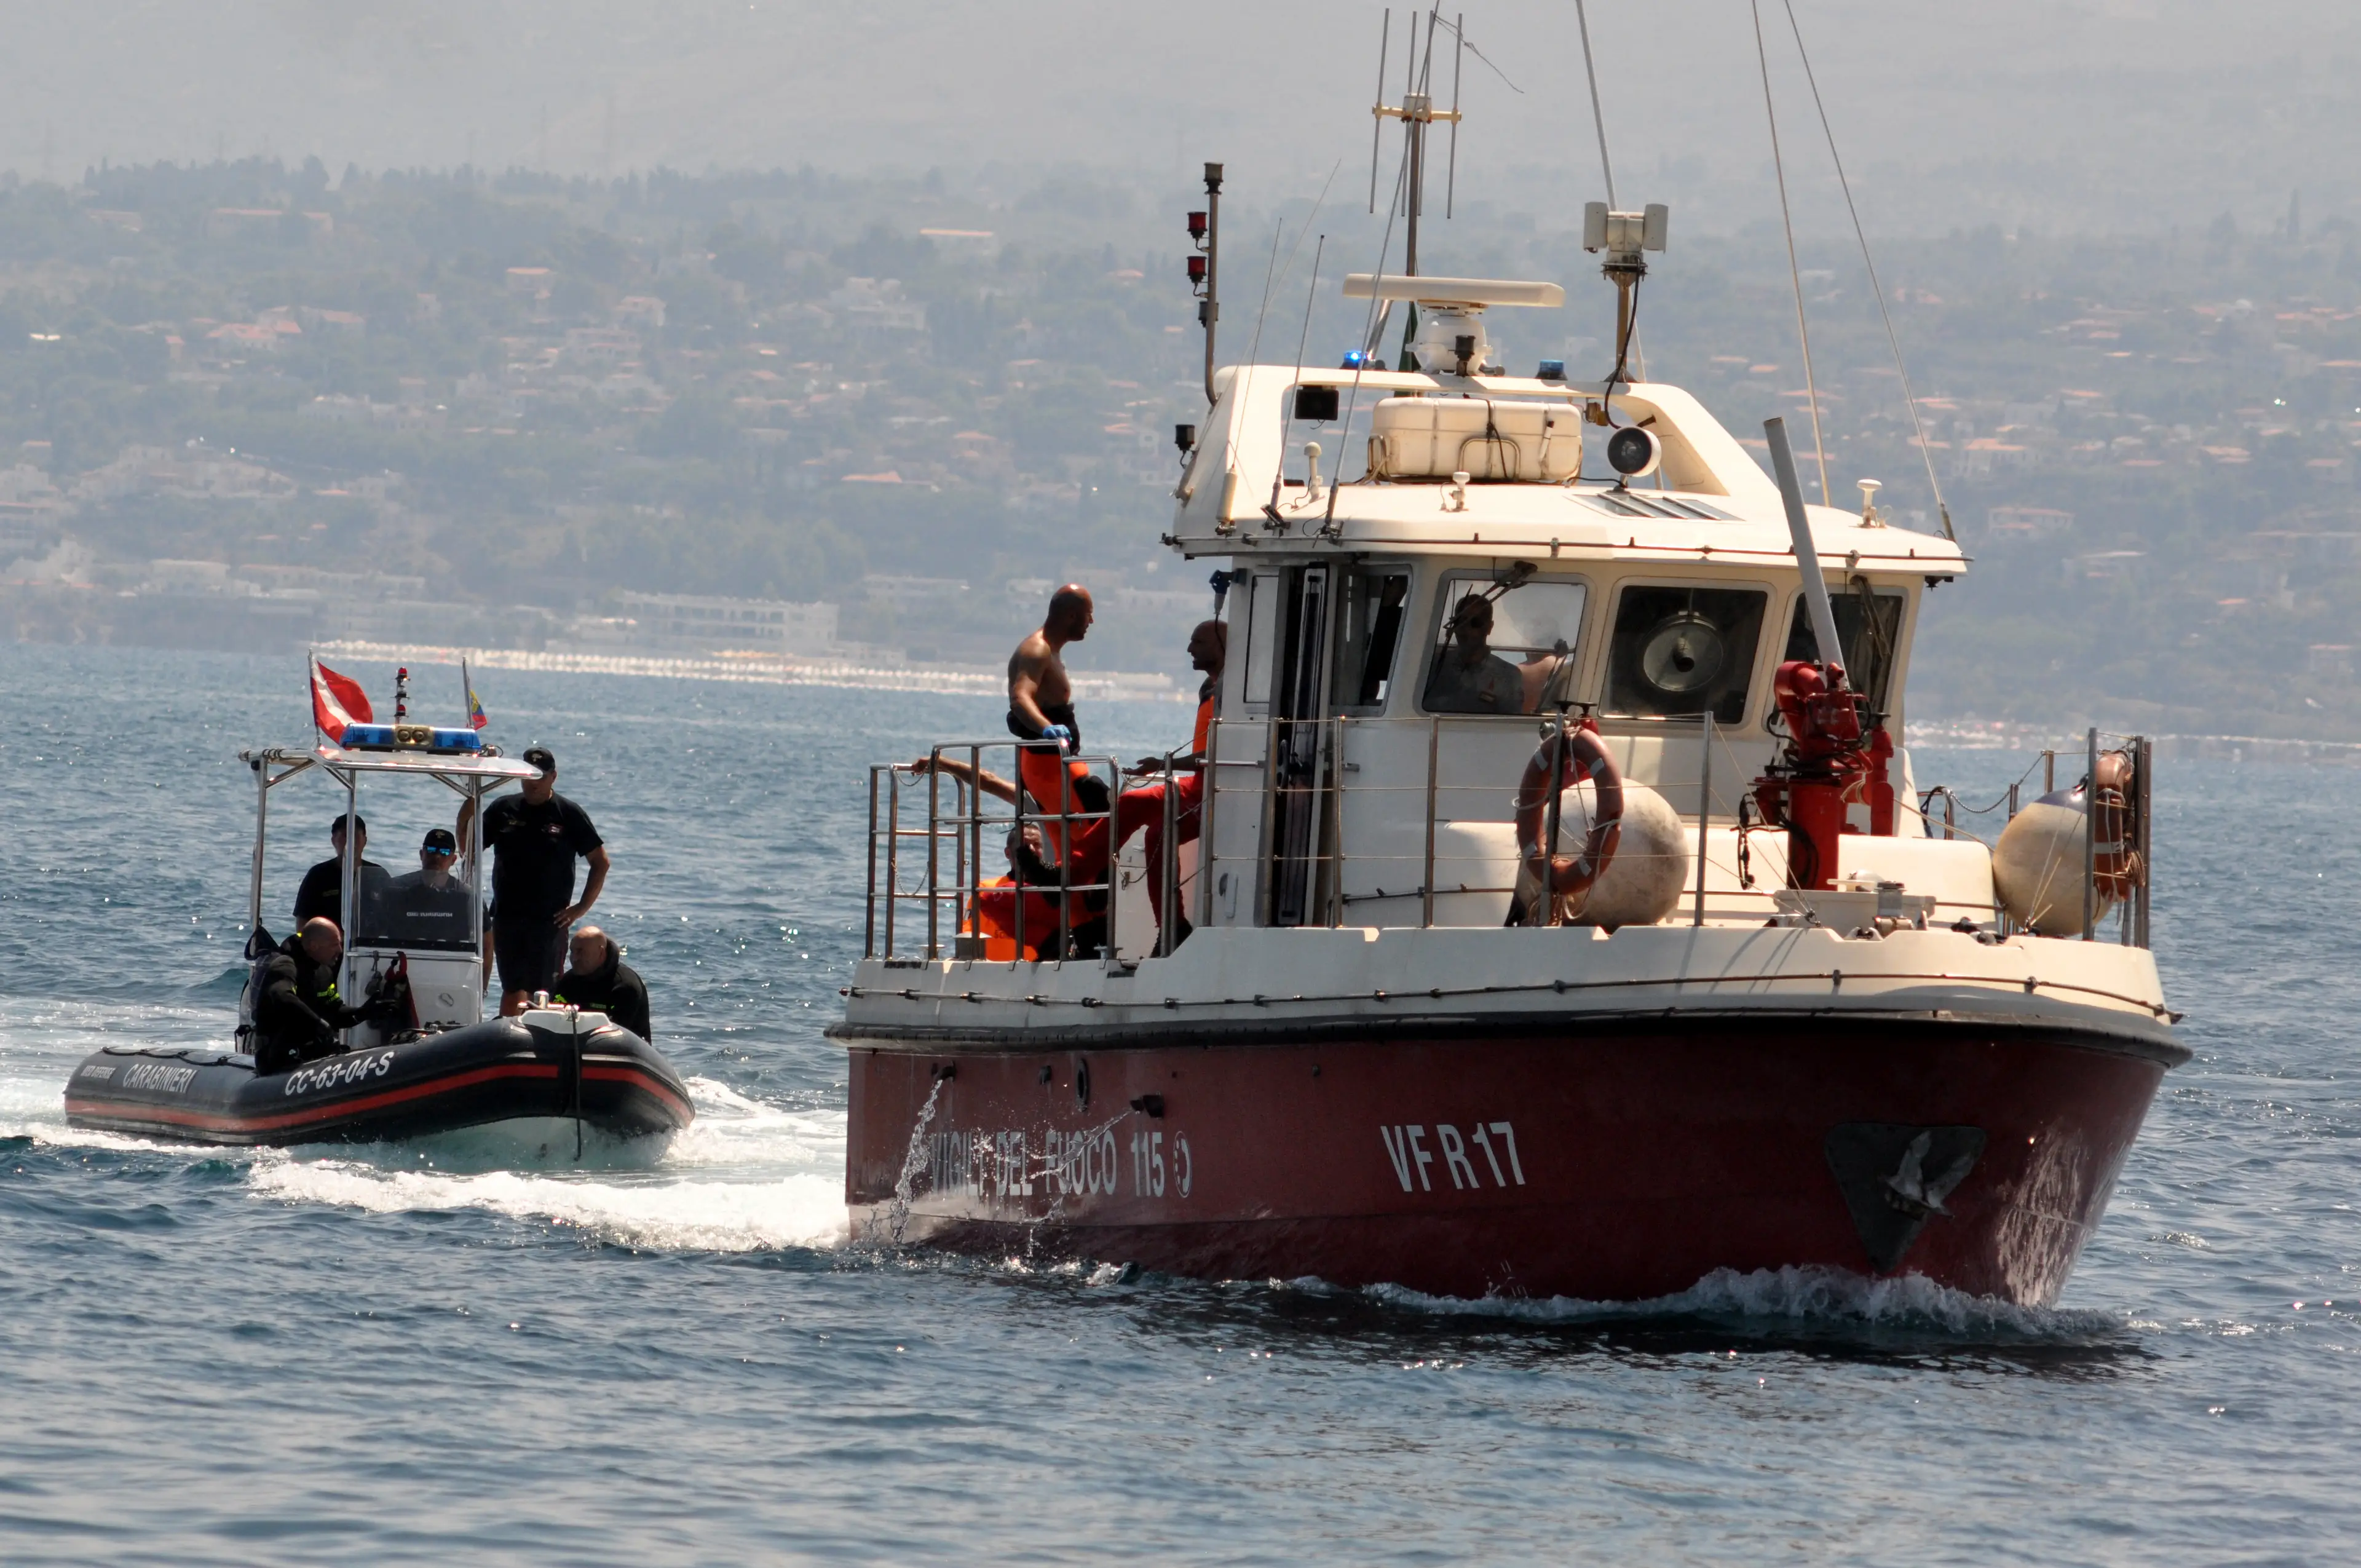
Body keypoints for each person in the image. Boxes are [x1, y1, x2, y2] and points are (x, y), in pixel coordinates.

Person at [458, 745, 610, 1015]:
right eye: (528, 776)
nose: (533, 783)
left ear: (553, 777)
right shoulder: (504, 809)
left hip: (550, 922)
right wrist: (470, 802)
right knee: (512, 988)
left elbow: (600, 863)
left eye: (540, 776)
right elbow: (468, 850)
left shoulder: (568, 814)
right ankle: (507, 1037)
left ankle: (542, 1037)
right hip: (507, 917)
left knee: (544, 992)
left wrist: (580, 909)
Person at [249, 917, 377, 1075]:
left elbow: (335, 1012)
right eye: (334, 945)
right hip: (279, 1059)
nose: (340, 950)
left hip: (312, 1055)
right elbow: (281, 995)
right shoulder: (284, 965)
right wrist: (318, 1023)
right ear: (314, 946)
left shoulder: (324, 972)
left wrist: (364, 1013)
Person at [373, 826, 481, 948]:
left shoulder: (467, 896)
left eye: (445, 852)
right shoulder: (396, 887)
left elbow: (485, 943)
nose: (437, 856)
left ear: (453, 860)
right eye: (431, 849)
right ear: (421, 854)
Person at [1423, 593, 1527, 715]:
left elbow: (1510, 722)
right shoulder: (1432, 667)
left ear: (1489, 627)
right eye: (1460, 622)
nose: (1466, 629)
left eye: (1476, 622)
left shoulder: (1508, 676)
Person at [551, 924, 652, 1042]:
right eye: (572, 952)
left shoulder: (624, 986)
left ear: (601, 953)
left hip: (623, 1047)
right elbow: (554, 1014)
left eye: (581, 952)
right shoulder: (568, 982)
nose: (574, 959)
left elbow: (620, 1033)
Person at [292, 814, 386, 927]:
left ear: (365, 841)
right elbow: (302, 921)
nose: (351, 842)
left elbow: (391, 917)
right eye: (346, 836)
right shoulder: (318, 875)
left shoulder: (378, 875)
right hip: (327, 938)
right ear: (334, 840)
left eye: (355, 836)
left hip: (368, 938)